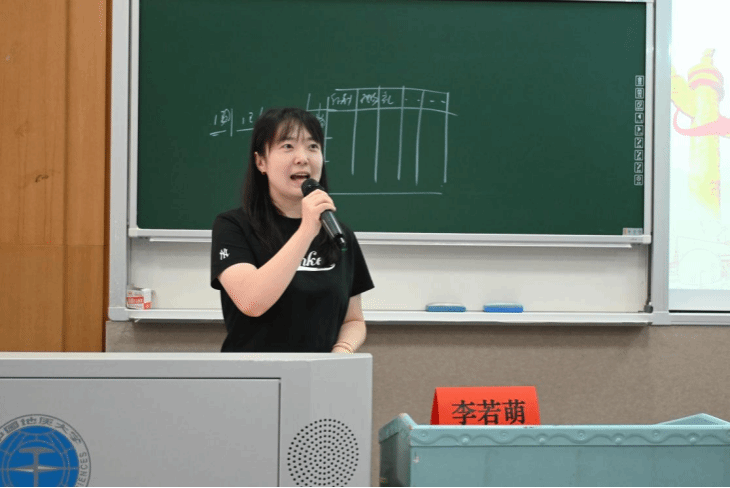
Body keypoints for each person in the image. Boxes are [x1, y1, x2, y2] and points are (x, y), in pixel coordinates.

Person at [210, 107, 374, 353]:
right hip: (252, 373)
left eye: (312, 146)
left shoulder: (339, 233)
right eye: (287, 146)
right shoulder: (233, 226)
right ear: (261, 162)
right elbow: (252, 302)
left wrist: (342, 350)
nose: (302, 158)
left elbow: (353, 320)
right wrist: (306, 230)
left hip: (321, 373)